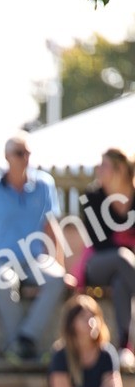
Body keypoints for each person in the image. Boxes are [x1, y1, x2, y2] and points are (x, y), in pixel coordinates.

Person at [0, 131, 67, 363]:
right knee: (5, 281)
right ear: (7, 157)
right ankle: (20, 346)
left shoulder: (45, 184)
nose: (25, 158)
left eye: (28, 152)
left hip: (34, 261)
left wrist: (60, 266)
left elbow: (52, 229)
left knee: (57, 278)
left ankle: (22, 342)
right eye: (19, 153)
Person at [75, 148, 135, 373]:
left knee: (122, 283)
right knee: (122, 257)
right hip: (97, 265)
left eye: (104, 165)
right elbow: (98, 243)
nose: (98, 170)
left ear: (119, 170)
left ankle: (125, 347)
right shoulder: (92, 197)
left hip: (127, 271)